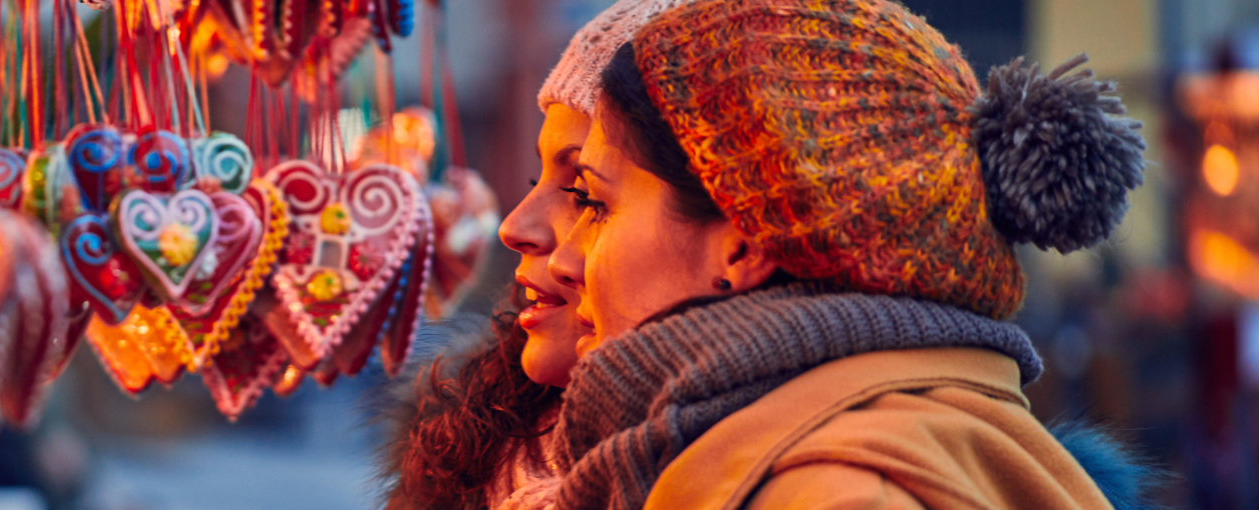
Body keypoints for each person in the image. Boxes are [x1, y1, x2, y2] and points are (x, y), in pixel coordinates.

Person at [387, 0, 1161, 508]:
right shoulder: (762, 454)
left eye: (593, 198)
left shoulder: (832, 489)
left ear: (747, 243)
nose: (525, 230)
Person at [379, 2, 695, 509]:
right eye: (536, 180)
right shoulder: (467, 451)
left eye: (585, 194)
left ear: (738, 237)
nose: (513, 228)